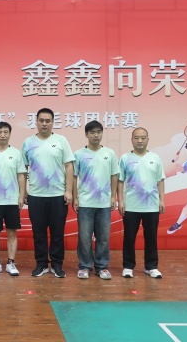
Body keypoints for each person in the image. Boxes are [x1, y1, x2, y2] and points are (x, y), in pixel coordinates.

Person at [22, 108, 75, 278]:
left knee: (57, 233)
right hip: (36, 196)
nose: (44, 124)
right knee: (38, 233)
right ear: (36, 122)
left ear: (52, 122)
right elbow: (23, 169)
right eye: (41, 120)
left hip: (58, 195)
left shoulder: (61, 140)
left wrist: (68, 190)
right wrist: (24, 192)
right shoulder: (28, 143)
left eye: (48, 121)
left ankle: (57, 264)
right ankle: (41, 264)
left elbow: (69, 166)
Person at [72, 120, 119, 280]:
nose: (96, 135)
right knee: (84, 238)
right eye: (92, 132)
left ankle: (102, 267)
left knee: (103, 237)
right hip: (85, 203)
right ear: (86, 134)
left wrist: (113, 196)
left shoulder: (109, 153)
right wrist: (75, 198)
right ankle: (85, 266)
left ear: (102, 134)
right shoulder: (79, 154)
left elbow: (114, 175)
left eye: (98, 132)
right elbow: (74, 177)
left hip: (104, 203)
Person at [118, 127, 165, 279]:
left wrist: (162, 200)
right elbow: (120, 181)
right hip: (131, 206)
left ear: (147, 140)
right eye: (136, 138)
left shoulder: (155, 158)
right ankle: (128, 266)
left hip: (151, 205)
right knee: (129, 237)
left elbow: (160, 180)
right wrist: (120, 201)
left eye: (143, 138)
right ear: (131, 140)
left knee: (151, 237)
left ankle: (151, 267)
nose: (140, 141)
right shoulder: (125, 158)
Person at [0, 122, 27, 276]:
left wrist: (21, 195)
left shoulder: (16, 153)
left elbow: (21, 175)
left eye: (5, 132)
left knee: (12, 233)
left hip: (12, 200)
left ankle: (11, 263)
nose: (2, 135)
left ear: (10, 134)